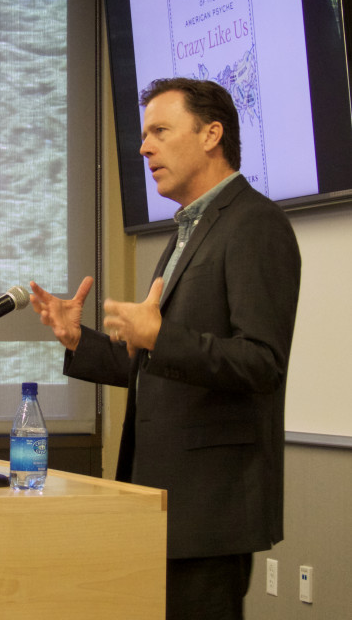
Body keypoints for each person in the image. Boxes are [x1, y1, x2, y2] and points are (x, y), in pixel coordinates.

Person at [30, 77, 301, 620]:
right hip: (160, 500)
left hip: (209, 507)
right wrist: (79, 340)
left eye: (159, 131)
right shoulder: (185, 233)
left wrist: (160, 336)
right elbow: (153, 364)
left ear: (211, 135)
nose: (144, 147)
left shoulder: (255, 224)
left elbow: (262, 363)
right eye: (143, 135)